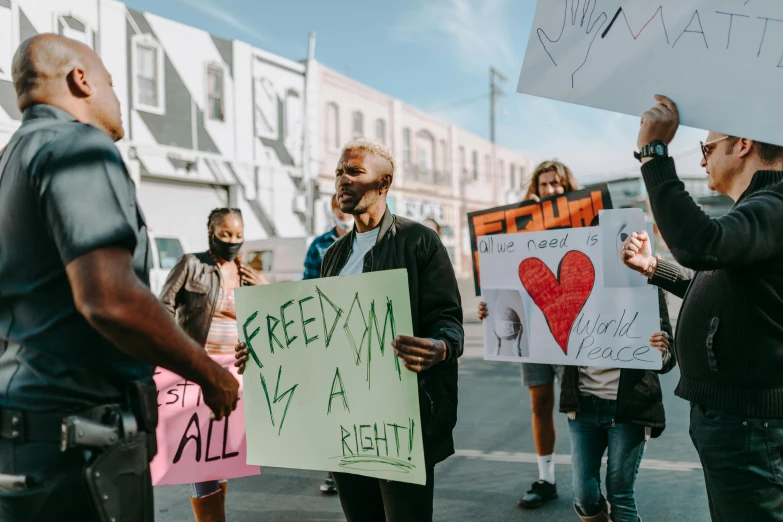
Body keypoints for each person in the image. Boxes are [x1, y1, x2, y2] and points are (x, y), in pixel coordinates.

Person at [0, 34, 239, 521]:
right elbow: (109, 298)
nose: (116, 96)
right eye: (110, 81)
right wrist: (210, 375)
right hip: (79, 449)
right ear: (80, 80)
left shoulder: (11, 161)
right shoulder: (76, 144)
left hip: (23, 440)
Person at [236, 138, 463, 521]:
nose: (342, 180)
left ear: (384, 183)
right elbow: (320, 336)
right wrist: (263, 352)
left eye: (354, 172)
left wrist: (440, 347)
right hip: (344, 419)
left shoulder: (419, 241)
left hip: (400, 420)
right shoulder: (334, 256)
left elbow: (448, 319)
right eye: (340, 171)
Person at [621, 94, 783, 521]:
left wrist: (654, 154)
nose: (702, 162)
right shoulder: (760, 210)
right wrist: (655, 268)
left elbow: (701, 245)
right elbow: (718, 282)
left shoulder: (774, 206)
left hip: (751, 428)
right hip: (742, 426)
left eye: (707, 149)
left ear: (743, 143)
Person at [478, 160, 578, 509]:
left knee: (579, 408)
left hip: (569, 328)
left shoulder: (583, 224)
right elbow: (501, 274)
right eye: (544, 184)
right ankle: (546, 478)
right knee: (540, 404)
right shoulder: (519, 228)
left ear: (568, 187)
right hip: (532, 330)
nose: (551, 190)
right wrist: (488, 305)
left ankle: (587, 479)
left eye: (557, 184)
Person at [160, 208, 265, 522]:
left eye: (237, 235)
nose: (232, 241)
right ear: (210, 233)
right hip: (198, 375)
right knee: (199, 458)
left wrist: (262, 285)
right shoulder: (192, 265)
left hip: (235, 377)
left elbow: (266, 318)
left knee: (221, 459)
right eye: (225, 234)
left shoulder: (246, 272)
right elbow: (162, 306)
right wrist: (181, 354)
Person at [303, 194, 353, 495]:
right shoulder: (319, 246)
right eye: (336, 206)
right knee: (334, 403)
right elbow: (308, 287)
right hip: (328, 335)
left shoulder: (373, 241)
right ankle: (336, 470)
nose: (342, 212)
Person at [303, 193, 354, 281]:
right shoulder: (318, 245)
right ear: (333, 209)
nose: (343, 211)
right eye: (339, 206)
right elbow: (309, 282)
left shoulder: (368, 241)